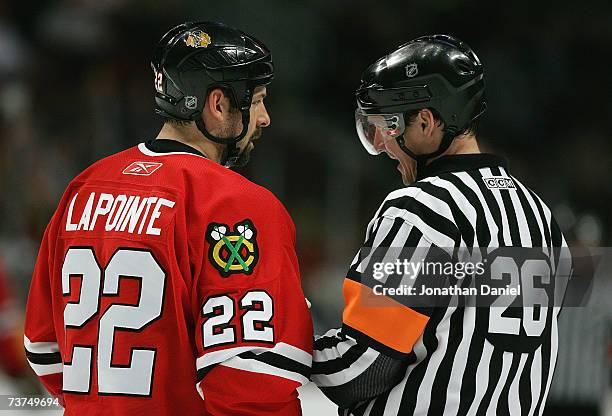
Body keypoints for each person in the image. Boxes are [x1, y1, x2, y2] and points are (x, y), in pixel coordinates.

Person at [24, 21, 313, 416]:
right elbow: (254, 379)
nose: (264, 118)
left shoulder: (84, 188)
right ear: (219, 103)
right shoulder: (236, 204)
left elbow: (43, 347)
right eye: (258, 99)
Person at [311, 35, 571, 416]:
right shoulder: (541, 218)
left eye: (389, 125)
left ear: (427, 122)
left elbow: (360, 371)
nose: (382, 143)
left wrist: (282, 338)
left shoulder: (423, 210)